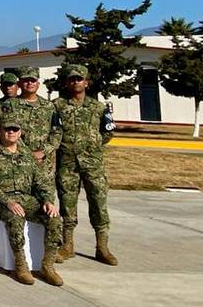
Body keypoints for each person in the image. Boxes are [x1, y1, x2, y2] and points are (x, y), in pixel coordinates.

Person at [0, 111, 64, 286]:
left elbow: (41, 181)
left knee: (54, 219)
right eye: (7, 129)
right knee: (16, 218)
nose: (10, 132)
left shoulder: (26, 155)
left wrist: (48, 200)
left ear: (19, 133)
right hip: (0, 202)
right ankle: (21, 265)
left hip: (25, 199)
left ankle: (47, 266)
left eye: (14, 129)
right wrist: (8, 202)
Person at [53, 63, 116, 265]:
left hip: (93, 164)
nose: (75, 82)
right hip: (68, 163)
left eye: (79, 79)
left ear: (86, 83)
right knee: (67, 204)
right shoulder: (58, 106)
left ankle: (102, 247)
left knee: (98, 204)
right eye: (71, 79)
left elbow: (108, 131)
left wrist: (93, 145)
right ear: (66, 83)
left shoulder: (98, 107)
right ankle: (68, 246)